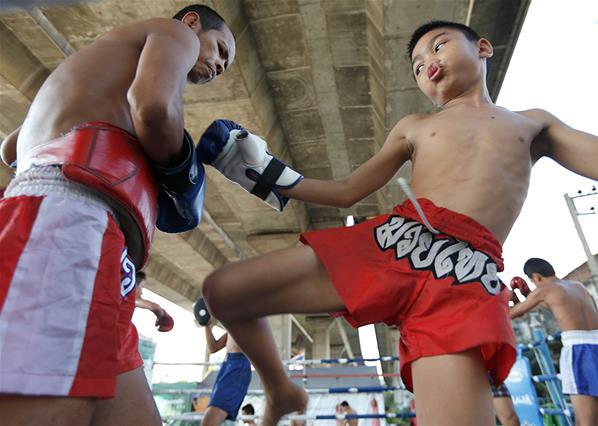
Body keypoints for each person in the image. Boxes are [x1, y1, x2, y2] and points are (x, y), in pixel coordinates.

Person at [198, 19, 598, 425]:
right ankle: (280, 389)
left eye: (439, 47)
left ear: (483, 48)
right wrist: (268, 174)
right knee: (224, 290)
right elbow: (347, 191)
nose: (428, 64)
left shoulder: (533, 123)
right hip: (392, 243)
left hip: (463, 278)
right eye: (418, 65)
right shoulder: (414, 126)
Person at [0, 3, 235, 425]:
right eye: (220, 49)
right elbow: (153, 108)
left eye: (226, 62)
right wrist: (185, 169)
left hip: (95, 244)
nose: (220, 64)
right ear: (193, 22)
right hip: (69, 225)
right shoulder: (175, 33)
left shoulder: (92, 69)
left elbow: (10, 150)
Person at [510, 258, 598, 425]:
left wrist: (508, 296)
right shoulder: (577, 286)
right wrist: (526, 295)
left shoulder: (543, 290)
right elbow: (554, 305)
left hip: (578, 350)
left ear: (536, 277)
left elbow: (512, 313)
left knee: (585, 421)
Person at [201, 317, 252, 426]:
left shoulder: (247, 320)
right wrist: (207, 326)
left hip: (237, 369)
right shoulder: (233, 325)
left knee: (209, 420)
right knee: (211, 420)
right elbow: (213, 348)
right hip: (227, 367)